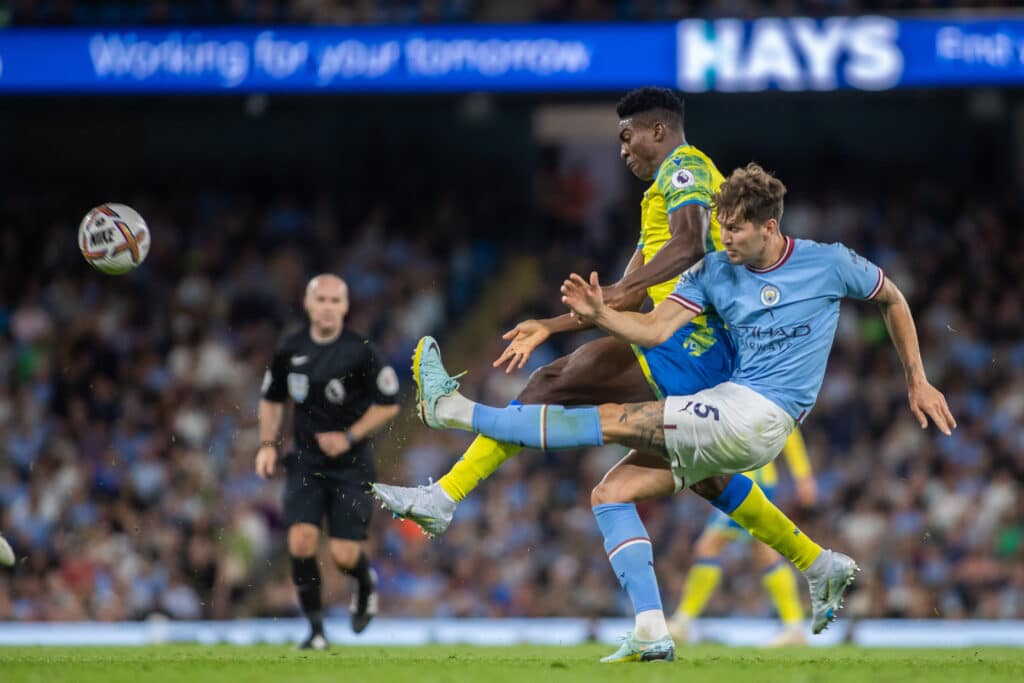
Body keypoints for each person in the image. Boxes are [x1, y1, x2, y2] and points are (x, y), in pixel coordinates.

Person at [405, 163, 955, 662]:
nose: (723, 236)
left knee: (619, 419)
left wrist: (918, 380)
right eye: (720, 224)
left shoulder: (829, 262)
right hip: (731, 410)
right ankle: (668, 622)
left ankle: (454, 411)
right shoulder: (715, 271)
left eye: (734, 227)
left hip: (761, 415)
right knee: (611, 493)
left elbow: (892, 298)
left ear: (769, 226)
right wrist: (601, 315)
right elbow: (653, 327)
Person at [374, 86, 736, 534]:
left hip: (701, 341)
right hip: (683, 339)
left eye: (627, 137)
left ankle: (447, 463)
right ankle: (816, 562)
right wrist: (551, 325)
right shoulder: (653, 200)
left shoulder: (685, 167)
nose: (621, 150)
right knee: (708, 477)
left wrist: (618, 296)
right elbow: (622, 297)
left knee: (552, 384)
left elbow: (688, 244)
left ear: (658, 130)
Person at [256, 274, 401, 650]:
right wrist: (267, 444)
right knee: (301, 541)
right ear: (308, 304)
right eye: (321, 299)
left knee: (342, 554)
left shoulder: (361, 350)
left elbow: (389, 403)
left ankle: (365, 581)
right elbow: (271, 398)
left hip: (351, 466)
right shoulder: (290, 348)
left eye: (335, 301)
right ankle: (316, 630)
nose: (327, 306)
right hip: (305, 461)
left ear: (345, 307)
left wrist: (350, 436)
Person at [668, 434, 817, 647]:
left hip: (747, 479)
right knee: (763, 551)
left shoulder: (759, 399)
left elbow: (788, 428)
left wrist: (803, 476)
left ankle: (682, 622)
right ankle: (794, 627)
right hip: (749, 476)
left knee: (708, 547)